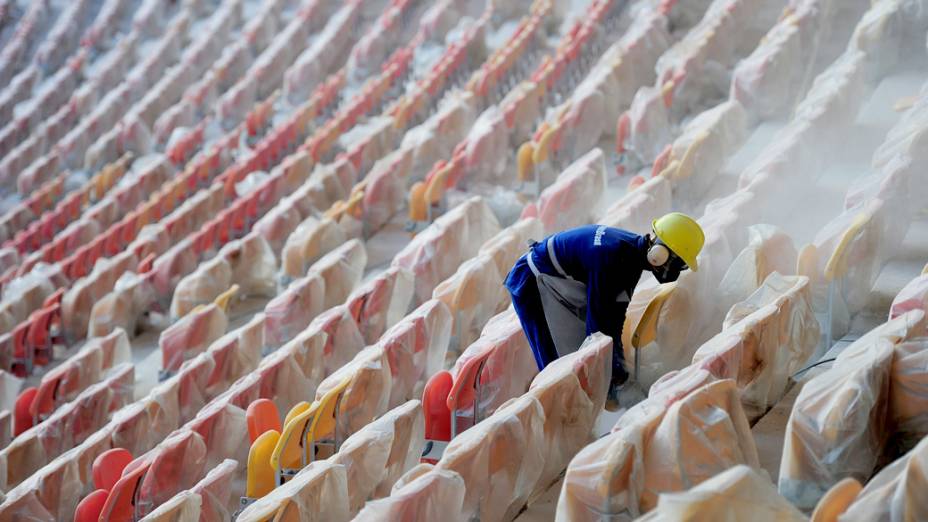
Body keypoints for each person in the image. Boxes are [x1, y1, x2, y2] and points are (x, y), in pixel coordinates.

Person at [504, 212, 704, 408]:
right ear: (661, 255)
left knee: (583, 364)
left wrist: (619, 372)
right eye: (680, 263)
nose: (677, 271)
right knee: (557, 373)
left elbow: (614, 319)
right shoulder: (614, 260)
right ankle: (556, 424)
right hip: (534, 284)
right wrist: (621, 382)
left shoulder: (630, 256)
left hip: (562, 284)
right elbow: (599, 333)